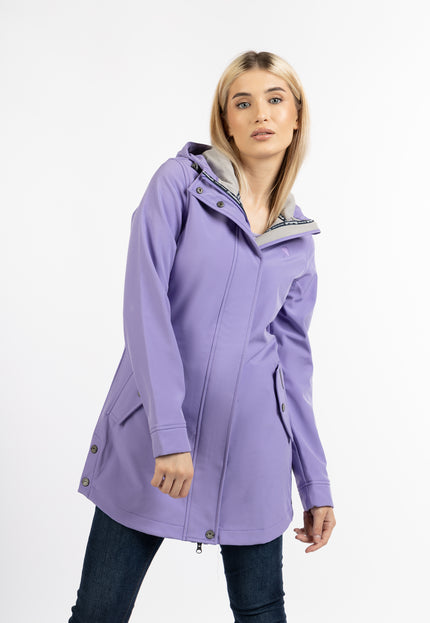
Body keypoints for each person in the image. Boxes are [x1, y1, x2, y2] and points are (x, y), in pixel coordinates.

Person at [68, 49, 336, 623]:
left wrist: (314, 482)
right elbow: (146, 310)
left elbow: (293, 369)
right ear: (225, 121)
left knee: (262, 614)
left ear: (296, 117)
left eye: (275, 99)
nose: (260, 113)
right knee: (99, 612)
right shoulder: (178, 186)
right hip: (152, 441)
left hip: (253, 453)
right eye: (243, 102)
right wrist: (169, 433)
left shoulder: (298, 240)